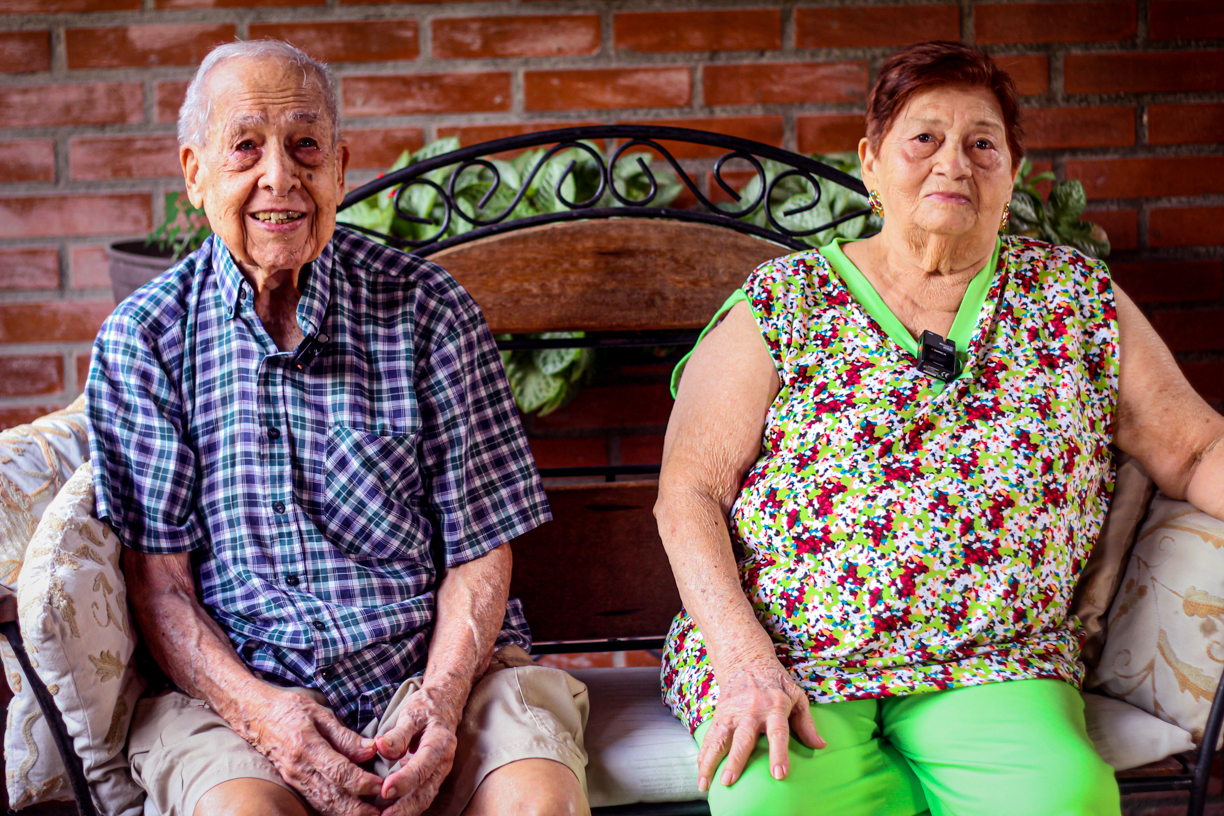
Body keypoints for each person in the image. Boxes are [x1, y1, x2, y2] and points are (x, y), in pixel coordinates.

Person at [656, 40, 1224, 816]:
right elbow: (688, 492)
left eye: (982, 143)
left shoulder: (1074, 300)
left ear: (1012, 174)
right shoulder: (785, 299)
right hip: (789, 657)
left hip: (992, 661)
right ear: (871, 162)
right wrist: (743, 657)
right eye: (924, 138)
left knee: (1062, 797)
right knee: (770, 800)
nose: (954, 163)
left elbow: (1195, 449)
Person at [87, 39, 589, 816]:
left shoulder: (428, 310)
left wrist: (442, 700)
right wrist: (266, 715)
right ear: (194, 172)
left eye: (305, 146)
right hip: (238, 693)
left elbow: (481, 554)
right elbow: (162, 589)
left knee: (537, 802)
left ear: (341, 168)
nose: (280, 176)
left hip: (440, 674)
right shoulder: (145, 341)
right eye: (246, 147)